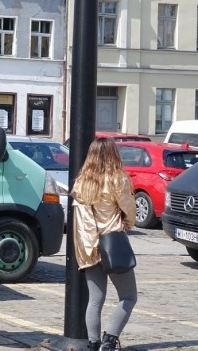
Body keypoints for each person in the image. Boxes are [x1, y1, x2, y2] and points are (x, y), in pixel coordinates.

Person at [70, 137, 137, 351]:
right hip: (113, 243)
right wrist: (125, 224)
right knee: (128, 296)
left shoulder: (81, 182)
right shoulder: (117, 178)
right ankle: (109, 342)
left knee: (95, 299)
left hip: (88, 246)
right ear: (113, 155)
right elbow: (130, 211)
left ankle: (93, 344)